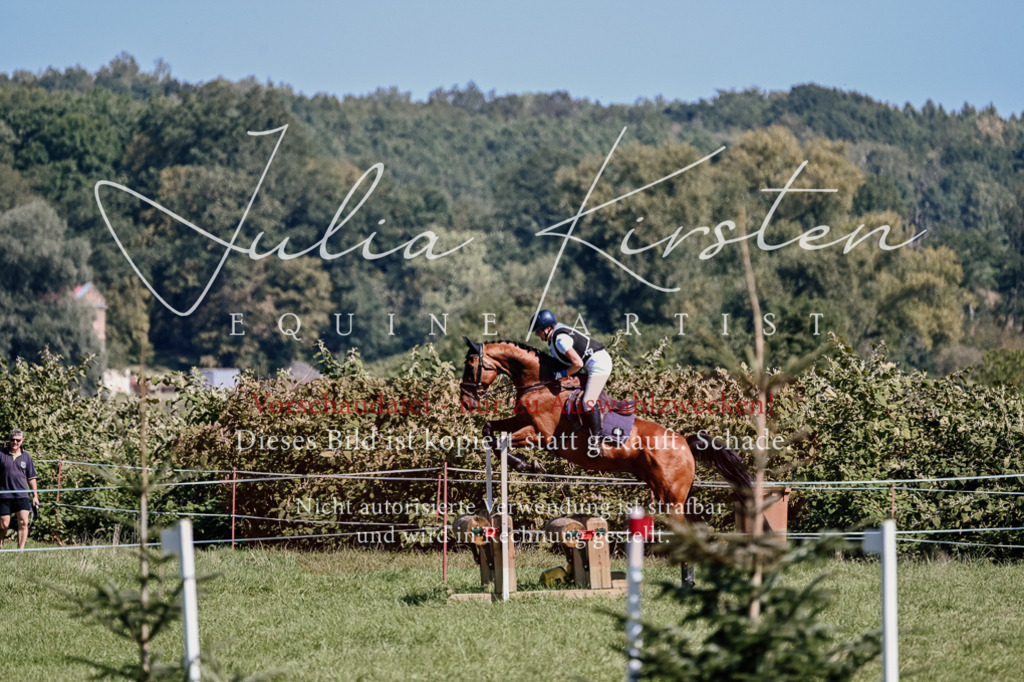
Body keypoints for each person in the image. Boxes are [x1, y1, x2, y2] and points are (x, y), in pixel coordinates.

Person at [532, 310, 613, 449]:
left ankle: (595, 442)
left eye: (538, 331)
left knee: (588, 403)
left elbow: (578, 363)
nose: (537, 335)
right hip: (589, 364)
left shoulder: (560, 340)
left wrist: (562, 374)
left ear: (547, 328)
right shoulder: (554, 337)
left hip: (598, 364)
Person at [1, 429, 39, 550]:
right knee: (3, 525)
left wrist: (35, 496)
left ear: (22, 441)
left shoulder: (26, 456)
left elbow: (31, 478)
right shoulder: (1, 454)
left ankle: (21, 550)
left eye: (18, 440)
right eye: (13, 440)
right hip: (4, 495)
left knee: (23, 522)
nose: (15, 442)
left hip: (21, 495)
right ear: (9, 440)